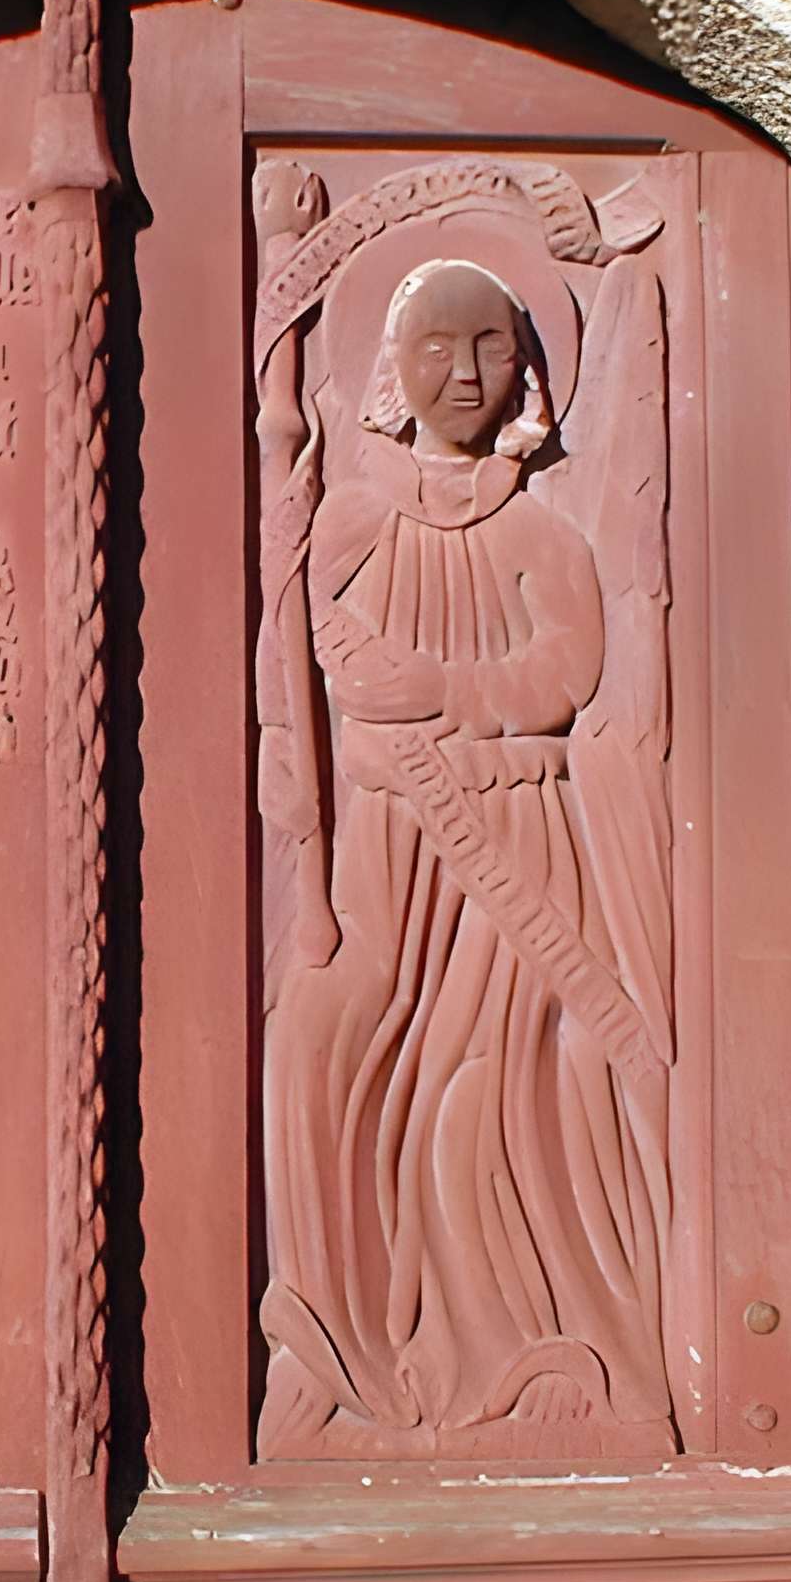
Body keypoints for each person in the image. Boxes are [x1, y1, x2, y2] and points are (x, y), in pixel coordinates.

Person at [259, 257, 671, 1454]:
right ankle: (340, 1344)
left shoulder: (541, 533)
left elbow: (565, 673)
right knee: (319, 1050)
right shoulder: (344, 527)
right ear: (389, 368)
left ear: (528, 371)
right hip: (383, 844)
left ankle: (518, 1355)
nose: (462, 374)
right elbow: (278, 677)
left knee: (488, 1089)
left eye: (488, 347)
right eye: (434, 349)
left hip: (509, 835)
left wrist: (436, 686)